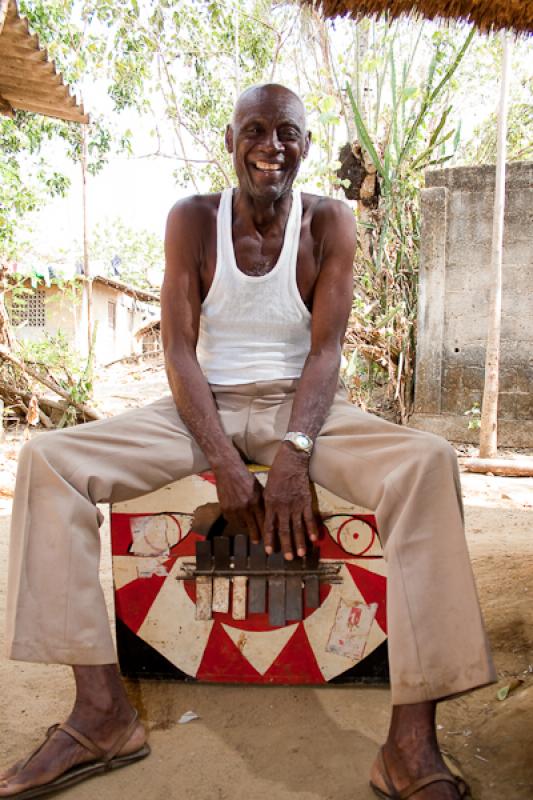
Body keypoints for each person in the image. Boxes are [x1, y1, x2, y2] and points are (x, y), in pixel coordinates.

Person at [1, 84, 495, 800]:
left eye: (288, 133)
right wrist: (227, 464)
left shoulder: (328, 221)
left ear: (305, 144)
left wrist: (292, 451)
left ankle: (409, 746)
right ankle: (101, 713)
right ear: (230, 140)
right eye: (256, 131)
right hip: (198, 408)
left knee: (427, 462)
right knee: (49, 460)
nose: (273, 147)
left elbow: (325, 353)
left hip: (302, 410)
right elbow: (177, 350)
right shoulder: (193, 220)